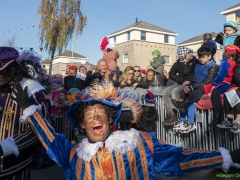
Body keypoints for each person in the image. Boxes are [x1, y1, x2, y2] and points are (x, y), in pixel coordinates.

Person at [11, 80, 240, 179]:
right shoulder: (72, 153)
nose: (96, 118)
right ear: (82, 124)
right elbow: (50, 139)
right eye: (90, 115)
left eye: (102, 113)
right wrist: (31, 109)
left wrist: (226, 156)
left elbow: (180, 159)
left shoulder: (138, 141)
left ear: (111, 119)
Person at [0, 47, 54, 179]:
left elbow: (40, 129)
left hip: (15, 164)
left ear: (11, 70)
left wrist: (5, 147)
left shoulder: (31, 89)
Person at [171, 46, 219, 133]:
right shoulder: (197, 65)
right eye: (199, 57)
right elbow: (194, 78)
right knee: (183, 93)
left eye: (203, 57)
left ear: (209, 56)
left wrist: (192, 87)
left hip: (208, 86)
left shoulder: (213, 66)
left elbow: (208, 80)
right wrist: (189, 86)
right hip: (197, 85)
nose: (201, 59)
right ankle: (183, 121)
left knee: (195, 93)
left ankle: (191, 122)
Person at [162, 47, 198, 126]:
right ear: (184, 55)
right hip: (181, 82)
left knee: (175, 91)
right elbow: (171, 74)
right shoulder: (177, 64)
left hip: (190, 83)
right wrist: (182, 80)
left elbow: (197, 72)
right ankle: (170, 114)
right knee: (165, 92)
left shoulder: (195, 61)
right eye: (189, 53)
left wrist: (190, 80)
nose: (191, 54)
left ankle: (175, 111)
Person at [209, 45, 239, 127]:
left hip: (226, 82)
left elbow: (220, 75)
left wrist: (214, 85)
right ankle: (235, 120)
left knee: (215, 92)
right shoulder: (236, 62)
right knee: (231, 94)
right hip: (234, 83)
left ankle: (218, 116)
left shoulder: (225, 62)